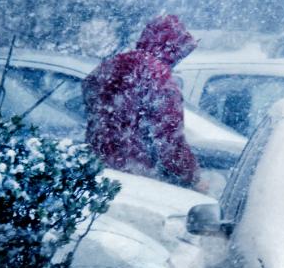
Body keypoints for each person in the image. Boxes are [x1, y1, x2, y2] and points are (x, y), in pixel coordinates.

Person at [81, 14, 203, 189]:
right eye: (181, 52)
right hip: (135, 172)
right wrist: (193, 177)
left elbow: (89, 87)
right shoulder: (158, 75)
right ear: (172, 47)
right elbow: (169, 139)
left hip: (98, 166)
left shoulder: (113, 64)